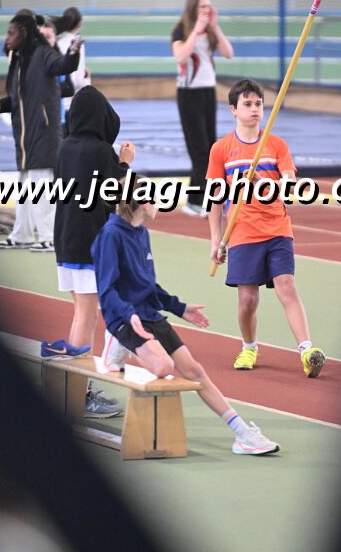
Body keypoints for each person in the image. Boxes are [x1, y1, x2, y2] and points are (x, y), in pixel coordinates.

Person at [91, 181, 279, 456]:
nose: (158, 204)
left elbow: (148, 286)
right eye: (155, 199)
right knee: (164, 367)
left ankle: (242, 433)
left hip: (147, 314)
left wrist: (179, 308)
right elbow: (106, 292)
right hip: (123, 317)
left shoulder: (141, 232)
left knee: (195, 371)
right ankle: (116, 343)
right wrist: (128, 316)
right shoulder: (110, 236)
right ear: (143, 203)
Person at [206, 78, 326, 377]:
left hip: (277, 228)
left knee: (286, 284)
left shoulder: (276, 145)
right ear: (233, 109)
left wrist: (261, 182)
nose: (254, 109)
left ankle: (306, 350)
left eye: (258, 103)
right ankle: (249, 346)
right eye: (247, 104)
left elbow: (289, 187)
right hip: (242, 233)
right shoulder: (221, 149)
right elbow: (215, 200)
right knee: (247, 299)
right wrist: (216, 240)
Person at [53, 85, 135, 418]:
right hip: (89, 243)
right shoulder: (101, 151)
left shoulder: (64, 147)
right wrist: (124, 164)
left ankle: (76, 389)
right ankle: (79, 393)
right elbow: (118, 193)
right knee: (86, 317)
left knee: (83, 314)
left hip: (65, 240)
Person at [0, 12, 80, 252]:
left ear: (25, 33)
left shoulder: (43, 53)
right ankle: (22, 235)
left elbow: (64, 65)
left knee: (42, 187)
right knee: (26, 188)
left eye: (11, 33)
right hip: (24, 135)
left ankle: (50, 236)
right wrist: (3, 104)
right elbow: (22, 99)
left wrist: (74, 52)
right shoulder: (20, 59)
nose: (7, 38)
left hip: (43, 132)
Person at [171, 0, 233, 217]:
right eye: (203, 6)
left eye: (209, 6)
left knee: (210, 149)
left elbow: (228, 53)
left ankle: (194, 201)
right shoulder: (182, 29)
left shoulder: (210, 30)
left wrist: (215, 27)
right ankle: (202, 201)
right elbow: (180, 57)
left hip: (208, 92)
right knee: (199, 151)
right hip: (189, 94)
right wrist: (196, 31)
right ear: (193, 9)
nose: (207, 10)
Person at [53, 6, 91, 113]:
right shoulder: (76, 44)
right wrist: (87, 79)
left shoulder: (56, 40)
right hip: (71, 102)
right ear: (79, 23)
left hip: (55, 99)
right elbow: (78, 80)